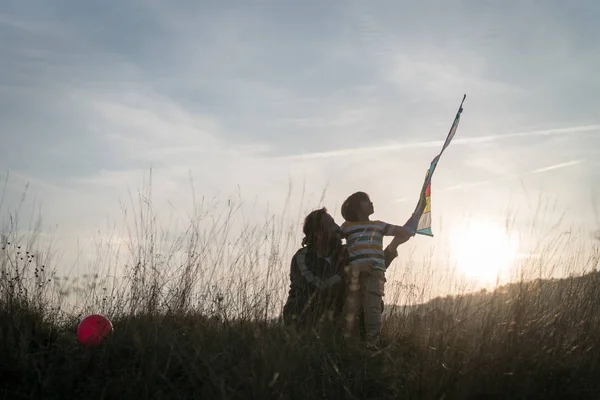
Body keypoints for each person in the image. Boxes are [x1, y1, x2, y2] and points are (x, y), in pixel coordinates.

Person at [339, 191, 416, 346]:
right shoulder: (347, 227)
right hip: (355, 274)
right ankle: (350, 343)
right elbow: (332, 237)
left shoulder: (379, 225)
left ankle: (372, 343)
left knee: (373, 307)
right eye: (366, 201)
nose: (371, 203)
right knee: (352, 308)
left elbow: (402, 231)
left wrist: (414, 221)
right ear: (355, 207)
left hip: (375, 273)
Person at [282, 208, 347, 330]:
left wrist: (393, 245)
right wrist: (343, 277)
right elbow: (318, 288)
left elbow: (373, 268)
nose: (338, 227)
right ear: (319, 233)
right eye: (331, 224)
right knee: (301, 303)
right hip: (307, 317)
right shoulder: (302, 257)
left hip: (336, 312)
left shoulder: (344, 252)